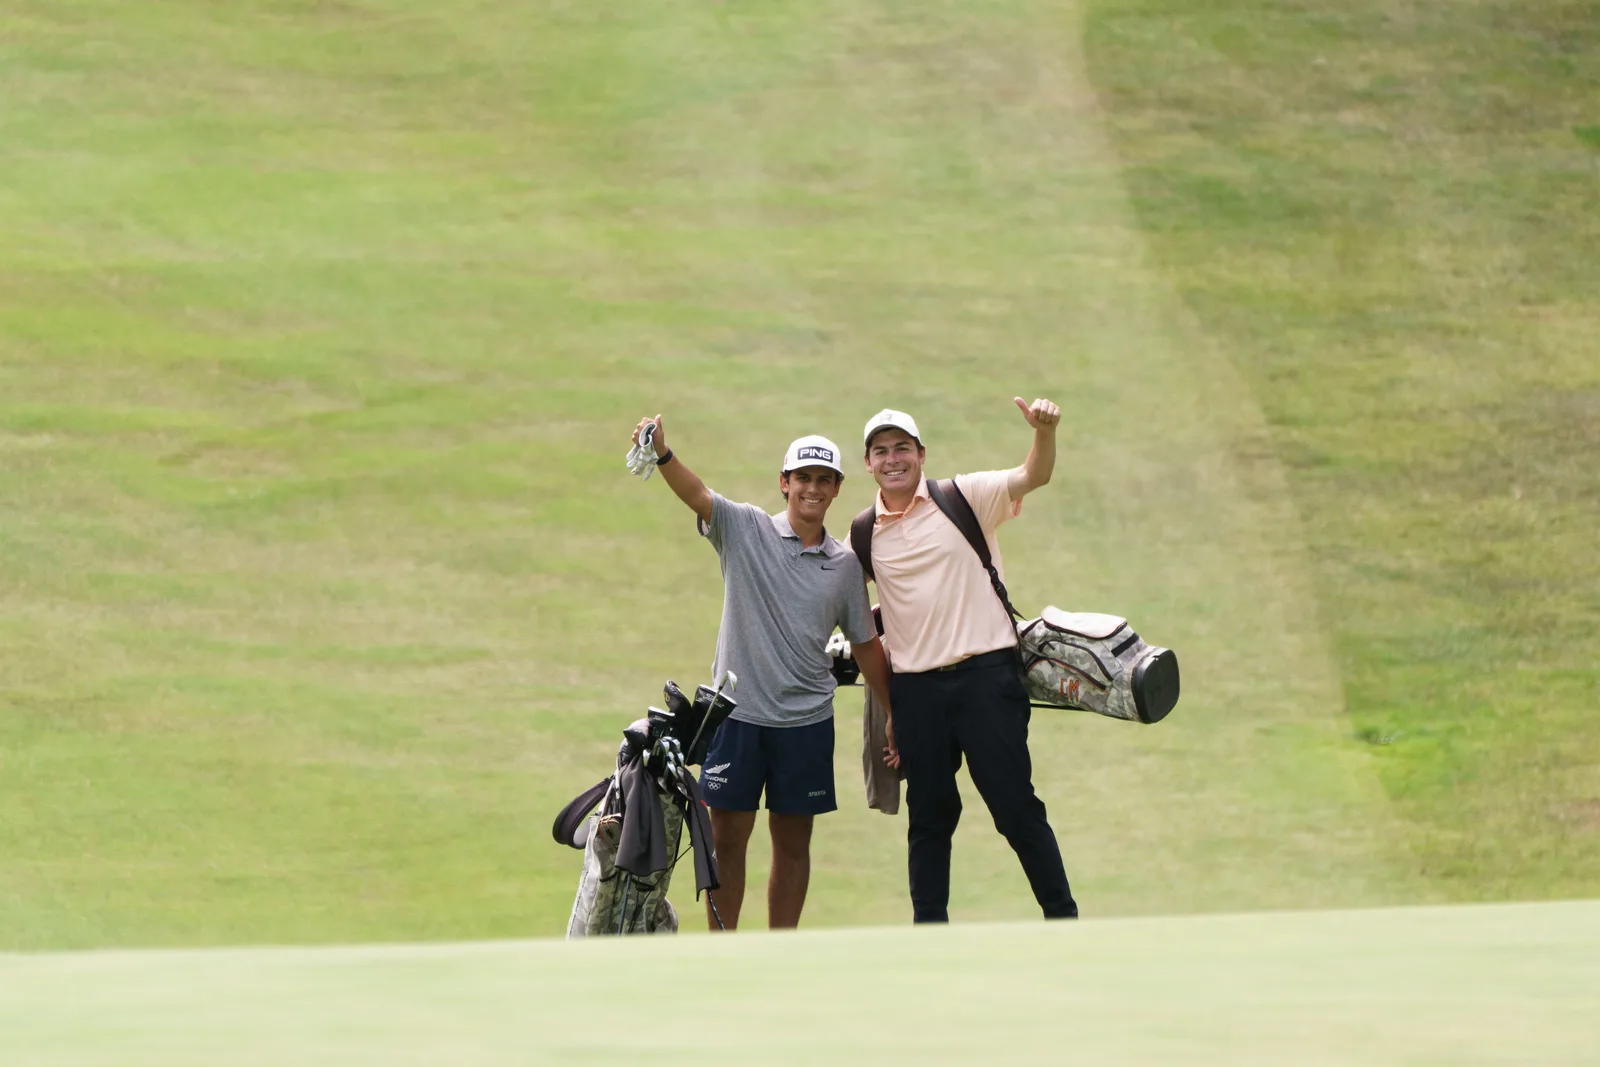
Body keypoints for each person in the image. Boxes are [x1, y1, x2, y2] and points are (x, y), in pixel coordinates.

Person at [629, 414, 892, 930]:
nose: (812, 489)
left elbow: (865, 645)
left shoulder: (843, 565)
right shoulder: (745, 528)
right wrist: (663, 454)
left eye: (824, 480)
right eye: (803, 478)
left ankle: (780, 951)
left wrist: (892, 713)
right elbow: (698, 494)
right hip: (737, 719)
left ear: (837, 488)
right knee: (726, 841)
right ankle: (724, 951)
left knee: (793, 845)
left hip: (806, 725)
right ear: (784, 482)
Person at [855, 399, 1078, 923]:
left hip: (986, 680)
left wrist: (1044, 432)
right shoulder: (864, 535)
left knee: (1015, 807)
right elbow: (841, 599)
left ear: (921, 454)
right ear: (868, 463)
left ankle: (1064, 922)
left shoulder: (965, 497)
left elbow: (1034, 475)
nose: (892, 459)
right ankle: (930, 935)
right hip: (916, 694)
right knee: (929, 819)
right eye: (881, 451)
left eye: (902, 448)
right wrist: (892, 710)